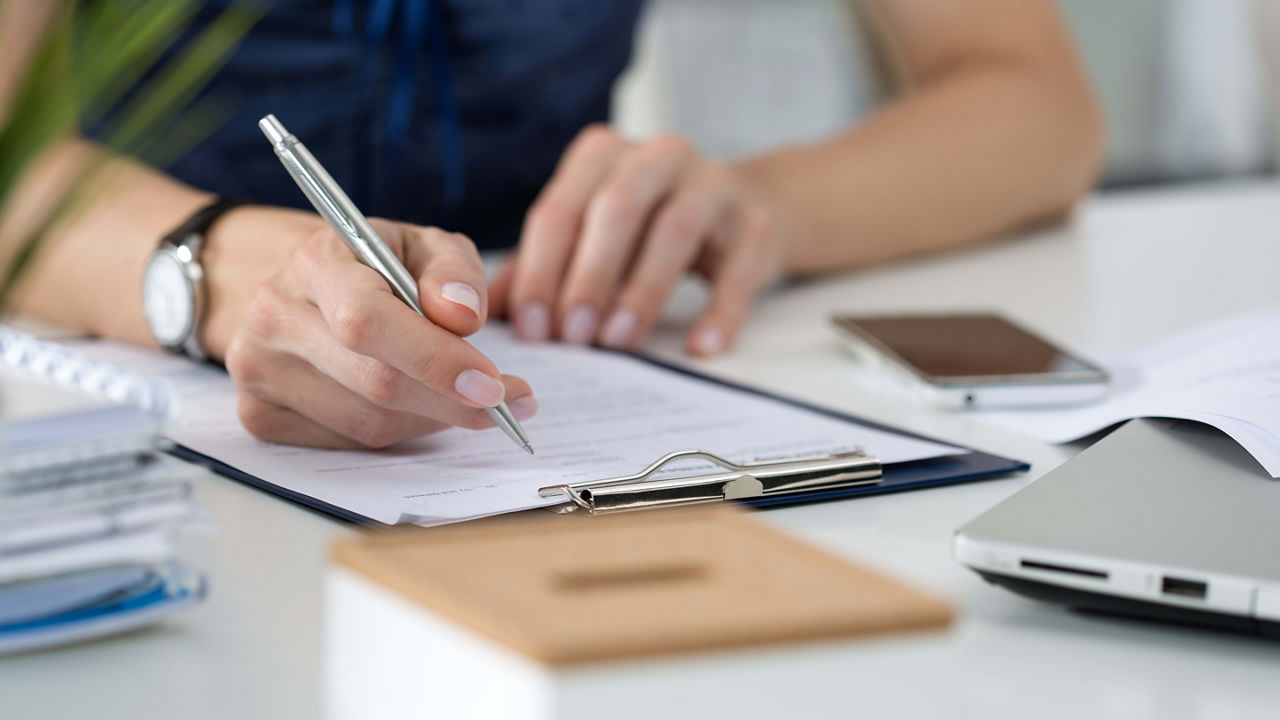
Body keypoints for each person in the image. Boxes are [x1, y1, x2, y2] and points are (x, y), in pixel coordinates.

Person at [1, 0, 1102, 450]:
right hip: (122, 392)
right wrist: (216, 274)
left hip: (552, 340)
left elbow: (1032, 102)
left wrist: (757, 210)